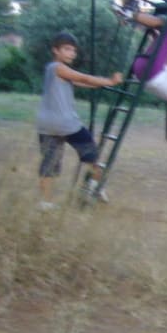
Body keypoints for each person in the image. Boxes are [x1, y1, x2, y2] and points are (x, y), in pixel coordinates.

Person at [36, 31, 123, 209]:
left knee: (49, 163)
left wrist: (103, 83)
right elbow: (82, 77)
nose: (71, 54)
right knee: (91, 154)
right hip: (66, 124)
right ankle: (94, 186)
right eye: (67, 49)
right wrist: (110, 81)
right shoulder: (58, 67)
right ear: (55, 50)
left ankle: (46, 202)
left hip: (46, 125)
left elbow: (83, 83)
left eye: (73, 51)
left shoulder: (51, 70)